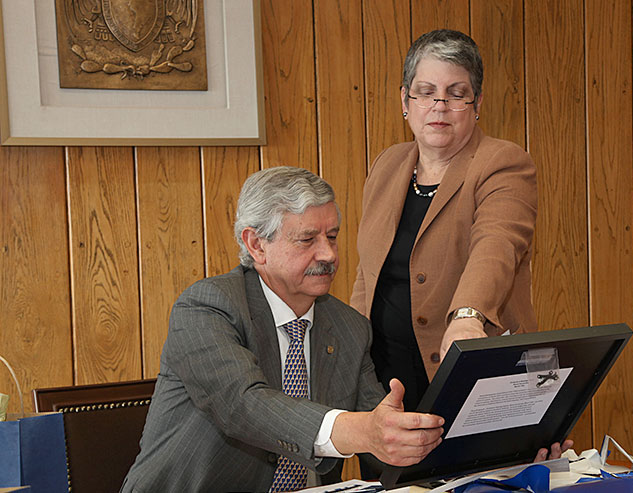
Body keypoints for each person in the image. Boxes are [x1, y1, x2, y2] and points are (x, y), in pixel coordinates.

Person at [121, 166, 444, 493]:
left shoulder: (350, 328)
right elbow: (244, 405)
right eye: (307, 239)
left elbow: (378, 430)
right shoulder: (207, 308)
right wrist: (362, 431)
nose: (328, 254)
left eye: (331, 236)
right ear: (256, 245)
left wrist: (405, 440)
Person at [350, 29, 571, 460]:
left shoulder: (503, 162)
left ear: (477, 105)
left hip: (472, 377)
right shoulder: (386, 166)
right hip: (387, 389)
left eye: (456, 93)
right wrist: (351, 362)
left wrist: (468, 317)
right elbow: (367, 272)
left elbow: (498, 244)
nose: (439, 106)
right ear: (404, 102)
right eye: (426, 92)